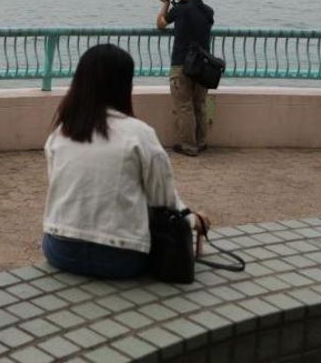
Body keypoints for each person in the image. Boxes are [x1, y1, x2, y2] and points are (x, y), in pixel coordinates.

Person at [42, 44, 208, 279]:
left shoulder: (61, 132)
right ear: (124, 85)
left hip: (60, 250)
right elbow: (163, 201)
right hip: (119, 257)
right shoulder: (139, 134)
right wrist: (194, 220)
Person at [156, 0, 214, 156]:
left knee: (184, 107)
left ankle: (189, 146)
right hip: (202, 64)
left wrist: (166, 4)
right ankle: (202, 142)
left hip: (182, 64)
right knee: (200, 105)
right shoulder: (209, 11)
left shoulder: (180, 9)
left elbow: (161, 24)